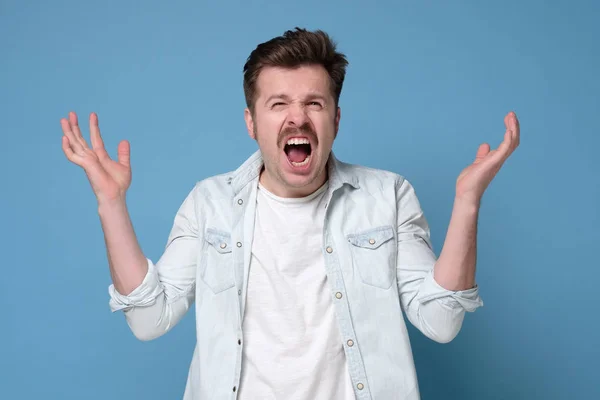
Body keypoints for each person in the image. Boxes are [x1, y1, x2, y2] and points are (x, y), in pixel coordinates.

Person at [60, 28, 520, 400]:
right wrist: (111, 205)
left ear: (335, 119)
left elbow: (441, 322)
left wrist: (468, 202)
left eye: (313, 103)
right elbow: (148, 319)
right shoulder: (210, 203)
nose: (297, 118)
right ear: (251, 122)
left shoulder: (389, 196)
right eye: (278, 103)